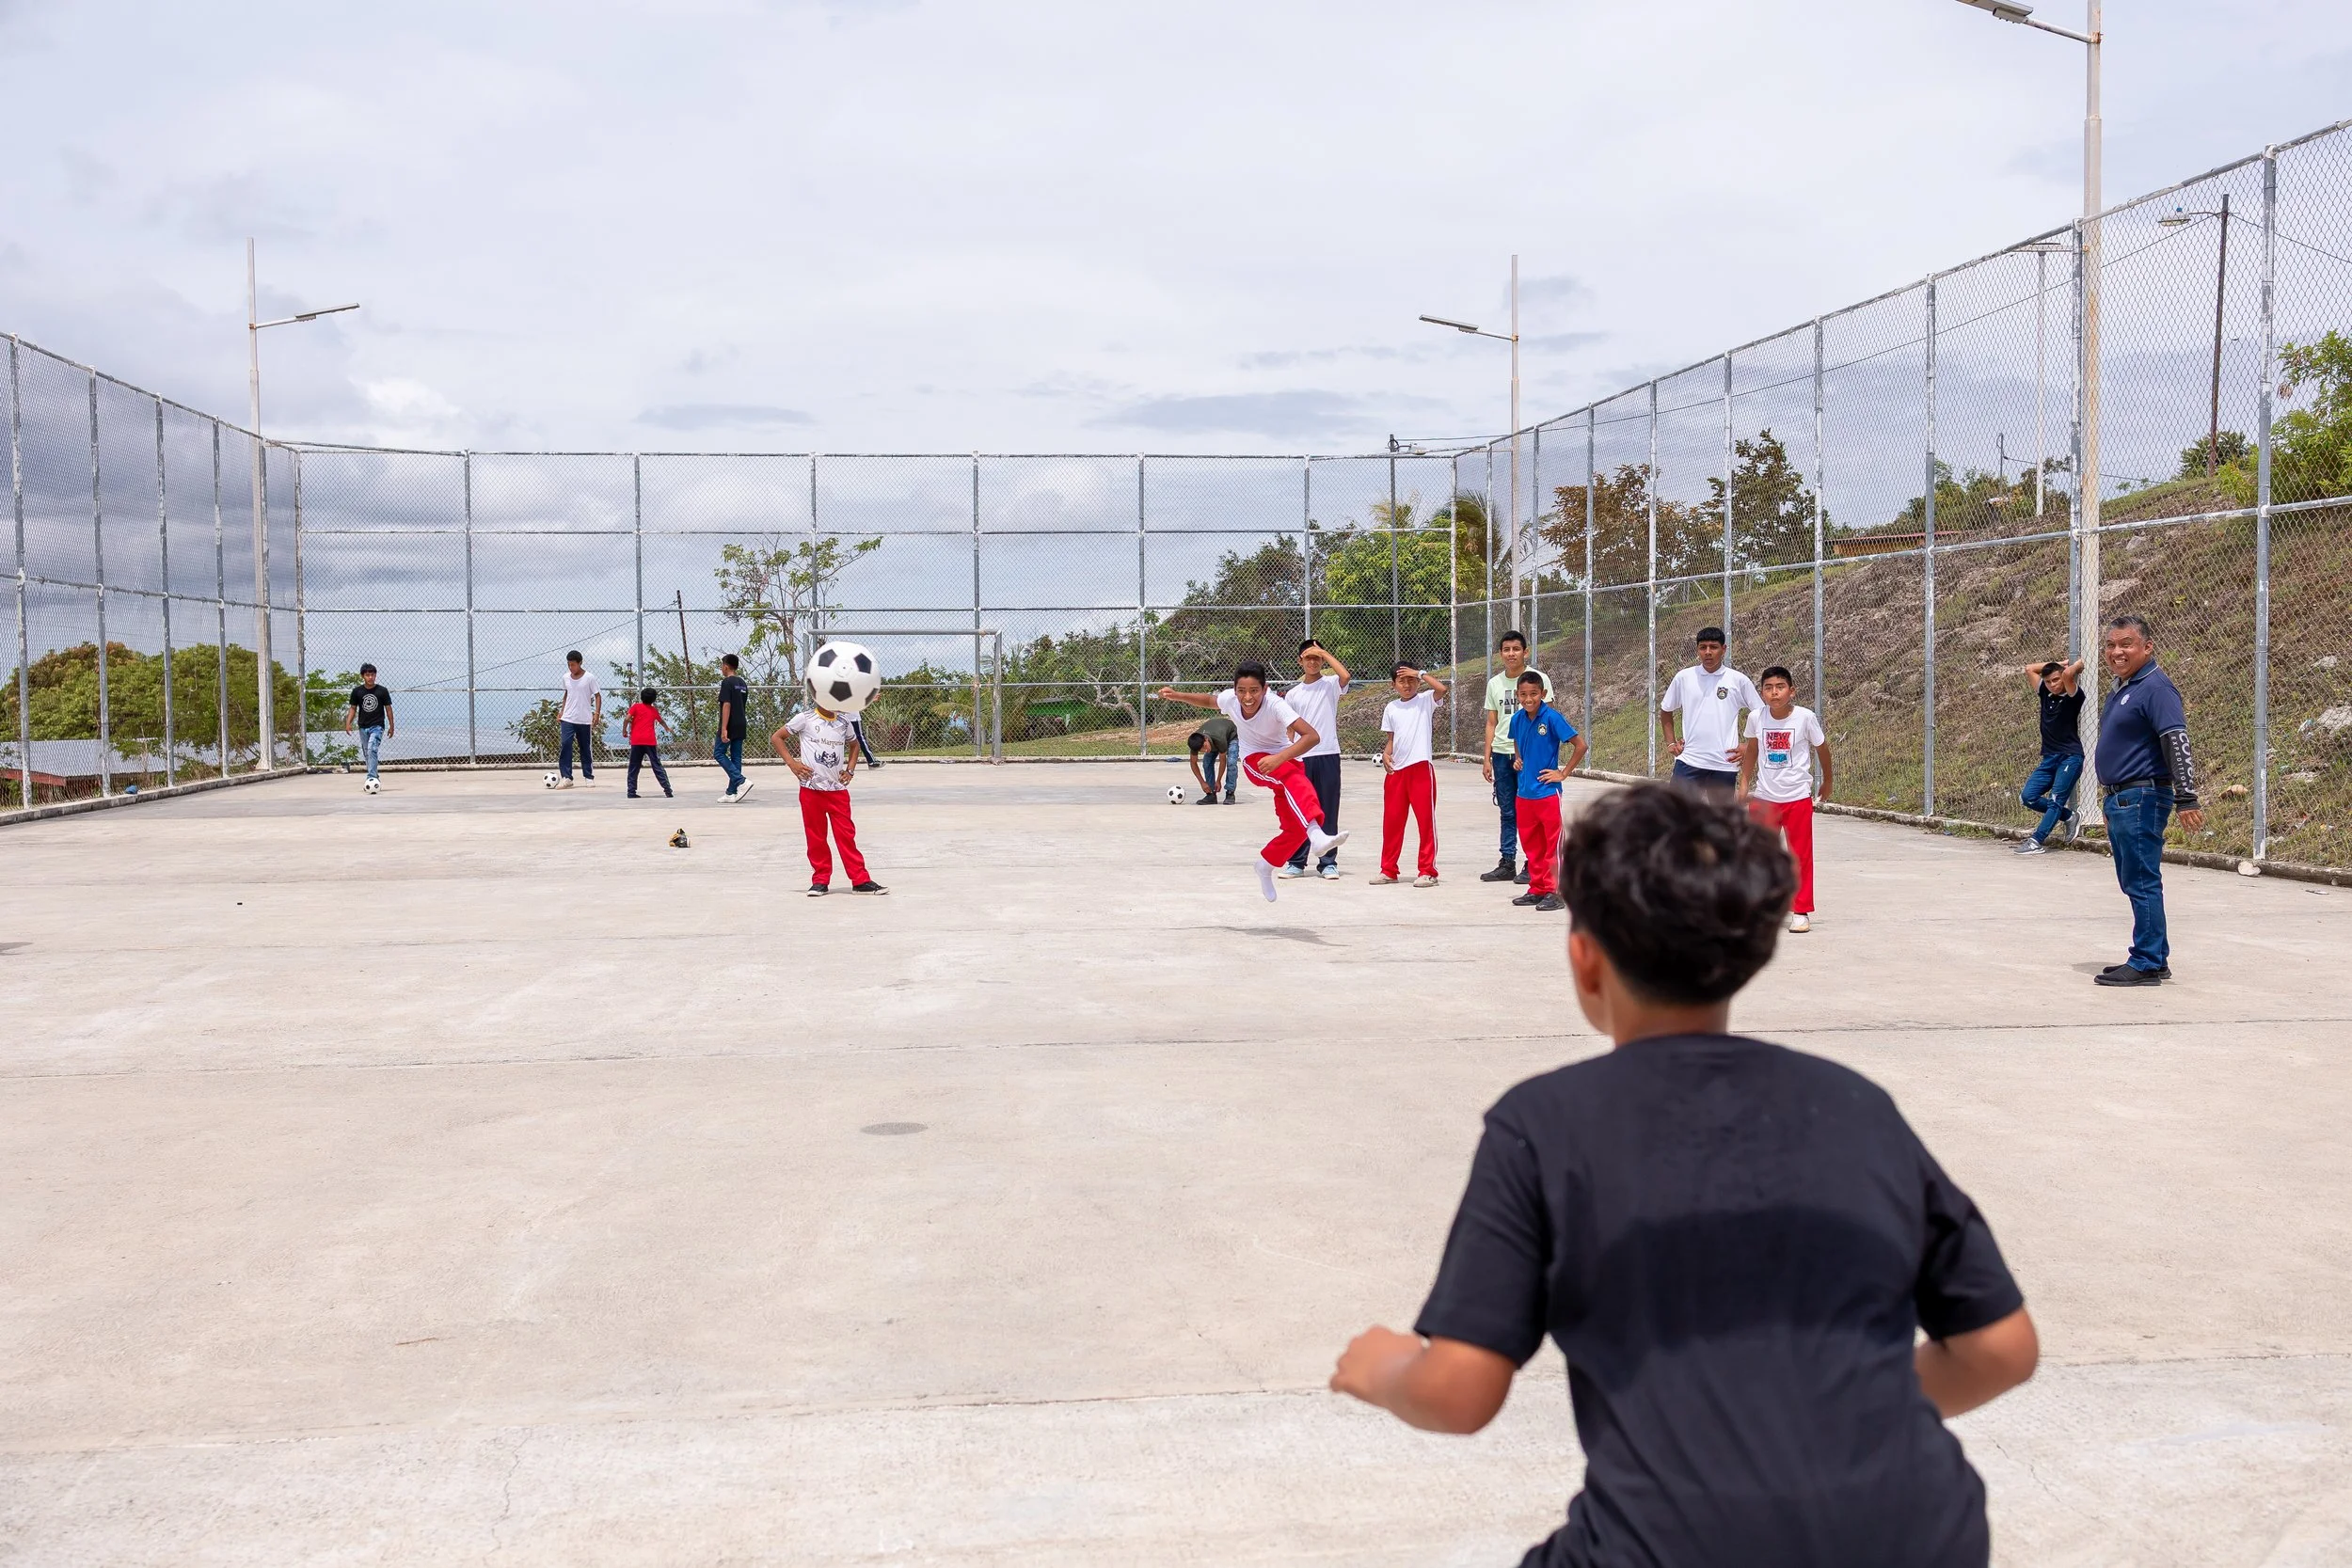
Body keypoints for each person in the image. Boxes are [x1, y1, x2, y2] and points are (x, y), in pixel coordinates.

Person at [1329, 783, 2039, 1568]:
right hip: (1923, 1533)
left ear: (1585, 957)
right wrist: (1815, 1404)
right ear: (1754, 946)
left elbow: (1459, 1391)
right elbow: (2002, 1347)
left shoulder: (1544, 1125)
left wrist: (1383, 1366)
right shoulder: (1856, 1106)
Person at [1157, 665, 1348, 903]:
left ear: (1265, 689)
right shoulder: (1230, 699)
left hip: (1282, 759)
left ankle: (1265, 865)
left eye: (1254, 691)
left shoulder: (1276, 704)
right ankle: (1317, 834)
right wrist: (1178, 695)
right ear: (1235, 690)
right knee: (1293, 778)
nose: (1248, 698)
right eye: (1242, 691)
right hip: (1255, 762)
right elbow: (1209, 700)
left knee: (1294, 828)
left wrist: (1280, 757)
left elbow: (1312, 736)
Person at [2092, 615, 2204, 986]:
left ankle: (2144, 961)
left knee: (2142, 881)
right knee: (2136, 880)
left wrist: (2187, 797)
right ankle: (2155, 957)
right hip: (2123, 799)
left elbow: (2176, 740)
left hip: (2141, 797)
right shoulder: (2124, 687)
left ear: (2147, 647)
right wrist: (2108, 799)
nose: (2116, 652)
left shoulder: (2155, 688)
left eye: (2126, 644)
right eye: (2110, 645)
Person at [1738, 664, 1832, 934]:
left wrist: (1827, 780)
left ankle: (1800, 911)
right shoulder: (1756, 717)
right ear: (1762, 693)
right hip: (1765, 798)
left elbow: (1822, 747)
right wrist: (1744, 782)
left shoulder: (1804, 718)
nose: (1774, 693)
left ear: (1792, 691)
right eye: (1768, 688)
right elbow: (1753, 749)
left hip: (1797, 797)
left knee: (1799, 855)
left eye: (1780, 687)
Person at [773, 701, 885, 896]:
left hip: (837, 791)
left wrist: (850, 770)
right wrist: (793, 764)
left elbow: (854, 744)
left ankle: (860, 880)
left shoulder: (844, 721)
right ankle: (820, 881)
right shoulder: (805, 718)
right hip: (810, 789)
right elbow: (777, 737)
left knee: (846, 835)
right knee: (816, 836)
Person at [1505, 673, 1583, 913]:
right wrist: (1518, 759)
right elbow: (1517, 742)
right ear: (1517, 695)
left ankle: (1555, 890)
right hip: (1524, 793)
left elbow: (1581, 745)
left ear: (1543, 694)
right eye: (1524, 695)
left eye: (1533, 694)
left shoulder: (1551, 718)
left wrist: (1563, 772)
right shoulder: (1517, 719)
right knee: (1531, 845)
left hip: (1547, 793)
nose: (1529, 699)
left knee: (1553, 844)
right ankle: (1537, 887)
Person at [1481, 631, 1553, 886]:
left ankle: (1533, 863)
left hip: (1530, 756)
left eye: (1516, 649)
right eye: (1506, 649)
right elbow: (1492, 722)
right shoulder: (1494, 684)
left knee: (1532, 812)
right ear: (1500, 653)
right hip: (1502, 753)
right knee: (1508, 811)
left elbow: (1548, 719)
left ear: (1526, 651)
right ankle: (1507, 861)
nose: (1511, 653)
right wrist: (1487, 757)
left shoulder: (1538, 679)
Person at [1659, 626, 1760, 793]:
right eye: (1703, 647)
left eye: (1713, 647)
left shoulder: (1738, 680)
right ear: (1697, 650)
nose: (1708, 652)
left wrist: (1748, 746)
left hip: (1724, 764)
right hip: (1689, 761)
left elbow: (1761, 715)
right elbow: (1666, 710)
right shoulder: (1684, 677)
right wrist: (1670, 742)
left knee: (1719, 818)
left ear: (1724, 649)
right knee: (1676, 816)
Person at [1373, 663, 1447, 888]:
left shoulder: (1425, 701)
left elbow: (1442, 689)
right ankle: (1388, 870)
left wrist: (1420, 674)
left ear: (1418, 682)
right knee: (1392, 823)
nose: (1407, 685)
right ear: (1393, 684)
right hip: (1397, 771)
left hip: (1421, 768)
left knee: (1425, 822)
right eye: (1401, 681)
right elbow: (1392, 740)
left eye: (1411, 680)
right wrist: (1386, 754)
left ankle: (1427, 871)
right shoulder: (1391, 708)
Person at [1283, 639, 1351, 879]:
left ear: (1322, 660)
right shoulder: (1293, 694)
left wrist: (1323, 650)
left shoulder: (1331, 684)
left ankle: (1328, 863)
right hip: (1301, 758)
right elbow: (1289, 729)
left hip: (1328, 754)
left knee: (1328, 809)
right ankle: (1296, 862)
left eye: (1317, 658)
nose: (1312, 662)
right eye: (1308, 657)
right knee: (1300, 810)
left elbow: (1345, 675)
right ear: (1300, 661)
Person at [2014, 657, 2087, 855]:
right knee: (2027, 797)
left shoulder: (2074, 696)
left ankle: (2036, 840)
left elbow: (2070, 675)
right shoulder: (2045, 693)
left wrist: (2075, 666)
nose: (2053, 685)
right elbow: (2029, 667)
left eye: (2056, 679)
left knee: (2056, 799)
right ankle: (2070, 816)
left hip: (2070, 757)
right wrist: (2060, 664)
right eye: (2048, 681)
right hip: (2049, 758)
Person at [555, 650, 601, 788]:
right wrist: (562, 711)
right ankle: (566, 777)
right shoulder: (566, 678)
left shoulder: (589, 678)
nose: (571, 668)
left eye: (573, 665)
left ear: (580, 663)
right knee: (566, 744)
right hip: (568, 718)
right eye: (569, 665)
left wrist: (597, 714)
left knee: (585, 748)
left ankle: (588, 776)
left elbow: (598, 695)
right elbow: (567, 694)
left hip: (584, 719)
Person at [342, 662, 392, 787]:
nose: (370, 677)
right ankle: (375, 777)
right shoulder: (357, 692)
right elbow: (353, 708)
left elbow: (388, 709)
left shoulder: (382, 691)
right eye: (367, 675)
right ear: (363, 676)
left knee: (372, 749)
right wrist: (348, 723)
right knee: (367, 753)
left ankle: (371, 778)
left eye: (372, 675)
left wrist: (392, 726)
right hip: (363, 726)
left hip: (377, 726)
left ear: (375, 676)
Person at [713, 653, 753, 805]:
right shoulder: (742, 683)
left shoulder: (727, 683)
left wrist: (724, 728)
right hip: (741, 722)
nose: (721, 669)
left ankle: (741, 781)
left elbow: (727, 704)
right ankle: (732, 792)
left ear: (726, 666)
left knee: (719, 753)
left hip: (730, 724)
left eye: (721, 666)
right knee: (736, 757)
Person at [625, 686, 675, 800]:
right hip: (650, 741)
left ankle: (631, 791)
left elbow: (627, 719)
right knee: (656, 765)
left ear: (642, 697)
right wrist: (667, 728)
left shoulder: (636, 707)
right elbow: (661, 721)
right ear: (654, 699)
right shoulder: (653, 710)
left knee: (634, 766)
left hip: (636, 741)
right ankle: (667, 790)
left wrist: (624, 731)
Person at [1187, 712, 1238, 804]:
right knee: (1207, 762)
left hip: (1230, 736)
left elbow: (1223, 761)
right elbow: (1193, 763)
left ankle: (1230, 793)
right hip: (1214, 737)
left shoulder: (1219, 739)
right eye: (1201, 750)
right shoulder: (1196, 742)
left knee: (1231, 762)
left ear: (1206, 739)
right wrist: (1202, 783)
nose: (1205, 750)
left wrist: (1218, 781)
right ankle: (1211, 794)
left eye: (1204, 746)